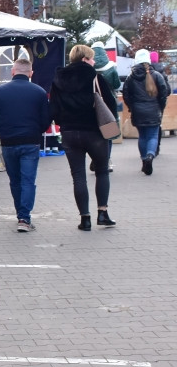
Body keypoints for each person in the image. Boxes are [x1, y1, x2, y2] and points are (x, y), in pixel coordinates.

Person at [48, 45, 117, 231]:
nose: (94, 62)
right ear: (85, 59)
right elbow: (110, 104)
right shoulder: (96, 78)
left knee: (78, 176)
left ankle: (84, 219)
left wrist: (63, 121)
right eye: (92, 58)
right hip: (94, 132)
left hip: (70, 133)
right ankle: (103, 213)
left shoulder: (58, 80)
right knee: (102, 171)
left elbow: (53, 107)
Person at [0, 58, 50, 232]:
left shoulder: (0, 91)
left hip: (8, 142)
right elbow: (46, 118)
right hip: (30, 141)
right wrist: (36, 130)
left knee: (15, 181)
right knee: (28, 181)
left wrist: (1, 129)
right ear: (31, 73)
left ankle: (20, 214)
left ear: (13, 72)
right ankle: (24, 218)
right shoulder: (39, 92)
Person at [122, 49, 169, 176]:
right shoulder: (157, 75)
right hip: (154, 109)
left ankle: (144, 160)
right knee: (153, 135)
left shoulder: (130, 77)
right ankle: (150, 155)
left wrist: (132, 107)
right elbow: (164, 93)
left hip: (138, 111)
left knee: (142, 136)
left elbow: (125, 93)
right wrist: (161, 106)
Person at [90, 41, 121, 172]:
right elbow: (117, 85)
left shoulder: (90, 67)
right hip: (108, 104)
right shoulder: (111, 67)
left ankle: (95, 158)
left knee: (95, 133)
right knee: (108, 132)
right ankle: (106, 160)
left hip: (92, 104)